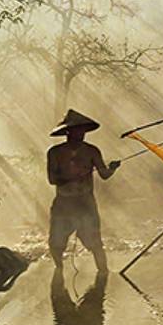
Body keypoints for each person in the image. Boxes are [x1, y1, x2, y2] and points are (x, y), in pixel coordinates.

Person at [47, 109, 120, 272]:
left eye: (82, 130)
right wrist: (71, 177)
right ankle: (59, 270)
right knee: (56, 244)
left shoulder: (92, 151)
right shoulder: (55, 152)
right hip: (64, 203)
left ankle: (103, 272)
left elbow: (104, 174)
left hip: (85, 203)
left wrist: (112, 168)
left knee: (95, 243)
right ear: (68, 132)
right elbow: (52, 179)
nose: (80, 134)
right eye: (77, 130)